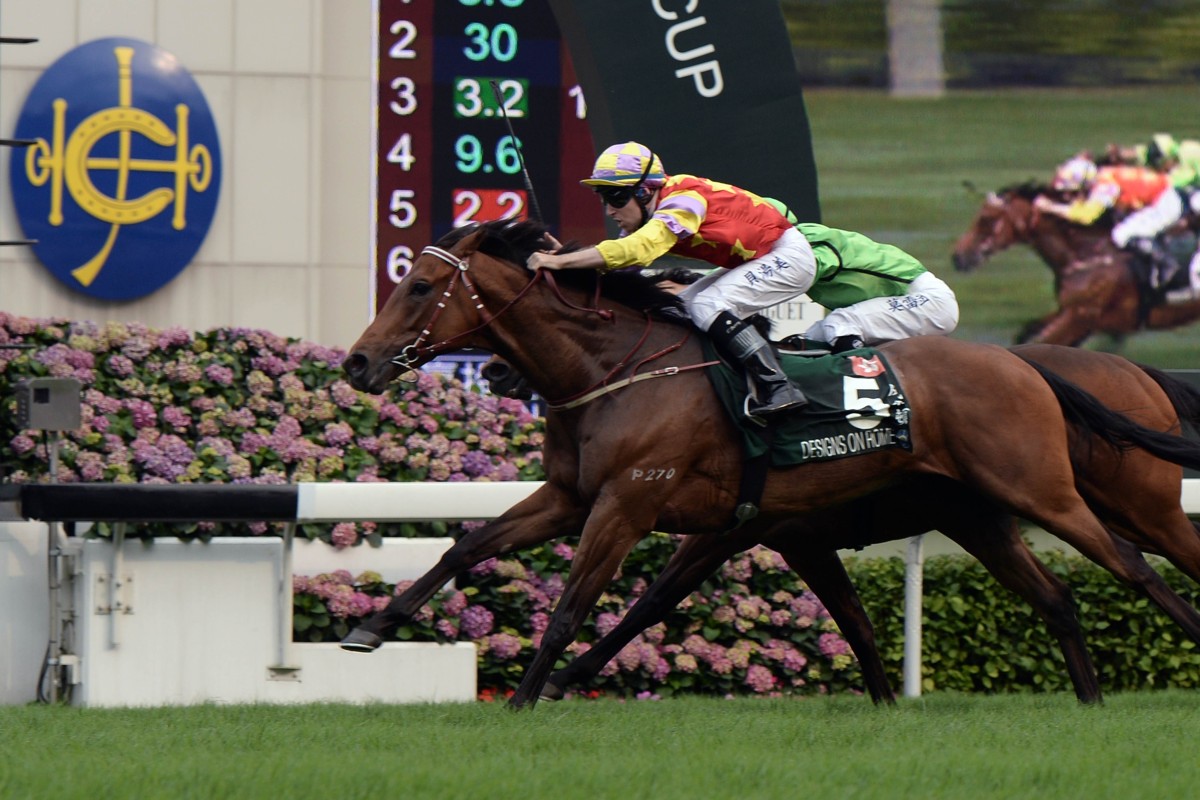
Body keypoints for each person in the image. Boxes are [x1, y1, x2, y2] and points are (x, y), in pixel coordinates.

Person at [525, 141, 959, 419]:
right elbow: (620, 258)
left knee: (708, 306)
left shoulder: (682, 202)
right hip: (776, 254)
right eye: (603, 198)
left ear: (646, 190)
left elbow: (637, 252)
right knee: (682, 305)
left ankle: (779, 387)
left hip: (795, 258)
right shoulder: (666, 201)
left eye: (616, 197)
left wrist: (560, 263)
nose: (609, 209)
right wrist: (567, 256)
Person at [1035, 155, 1185, 294]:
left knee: (1121, 235)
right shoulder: (1103, 174)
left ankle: (1165, 263)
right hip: (1160, 195)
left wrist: (1051, 207)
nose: (1072, 195)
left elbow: (1087, 216)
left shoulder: (1105, 186)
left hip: (1164, 203)